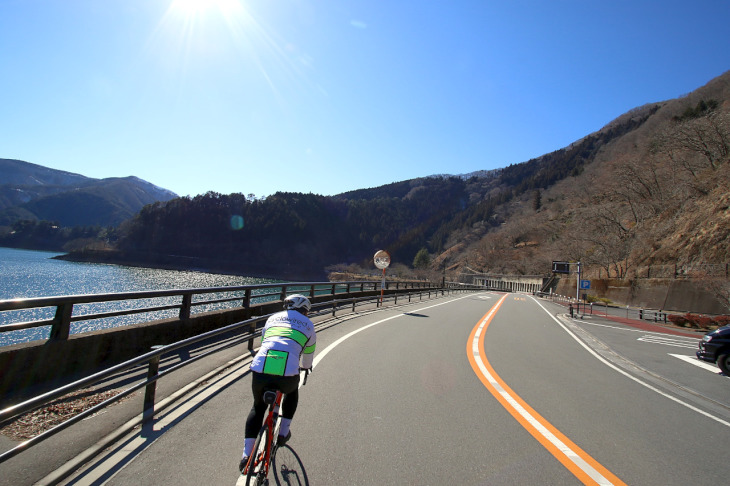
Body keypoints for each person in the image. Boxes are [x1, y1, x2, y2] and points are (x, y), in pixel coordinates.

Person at [240, 294, 316, 473]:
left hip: (261, 367)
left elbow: (265, 340)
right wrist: (305, 368)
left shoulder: (272, 318)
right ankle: (283, 433)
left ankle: (246, 456)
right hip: (287, 372)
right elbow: (308, 358)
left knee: (258, 408)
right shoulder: (308, 325)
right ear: (303, 309)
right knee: (292, 393)